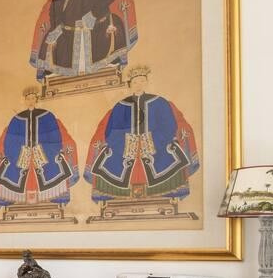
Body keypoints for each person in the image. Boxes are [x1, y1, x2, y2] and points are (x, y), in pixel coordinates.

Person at [84, 66, 199, 202]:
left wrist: (150, 139)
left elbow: (168, 125)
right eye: (135, 82)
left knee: (170, 157)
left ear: (147, 82)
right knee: (108, 161)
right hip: (125, 145)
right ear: (130, 85)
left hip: (156, 143)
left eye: (142, 81)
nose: (139, 84)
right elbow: (112, 131)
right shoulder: (120, 106)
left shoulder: (160, 102)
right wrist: (127, 140)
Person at [0, 87, 79, 209]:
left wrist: (43, 150)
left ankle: (52, 200)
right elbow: (9, 141)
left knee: (54, 166)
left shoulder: (47, 116)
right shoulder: (16, 119)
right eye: (28, 99)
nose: (30, 101)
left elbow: (55, 137)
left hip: (44, 153)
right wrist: (19, 152)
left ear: (37, 99)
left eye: (33, 98)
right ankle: (17, 201)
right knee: (10, 168)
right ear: (25, 100)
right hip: (20, 154)